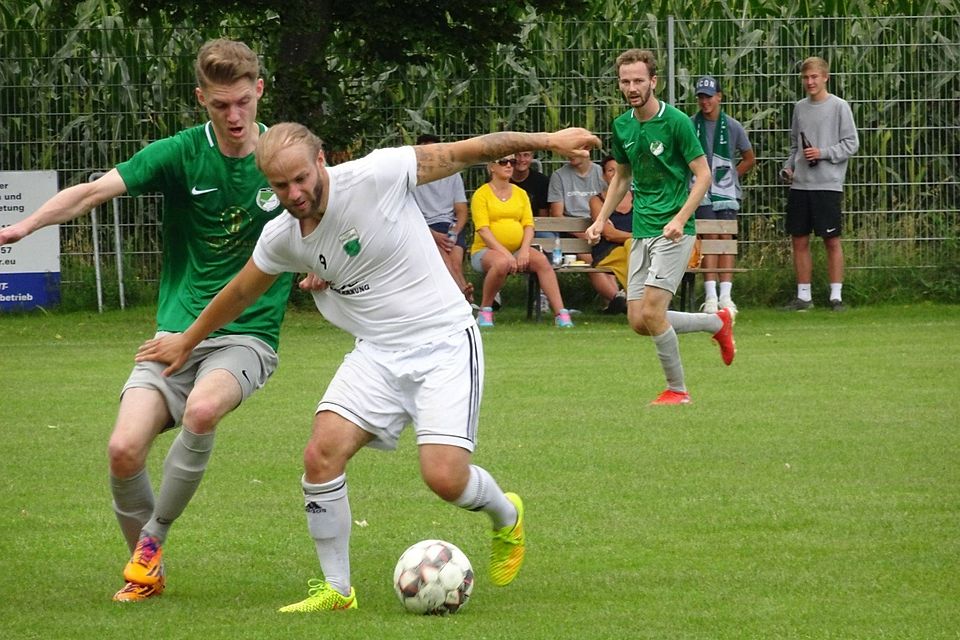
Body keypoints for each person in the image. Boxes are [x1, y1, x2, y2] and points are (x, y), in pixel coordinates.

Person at [135, 122, 602, 611]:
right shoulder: (283, 235)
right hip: (377, 353)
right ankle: (337, 591)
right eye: (279, 185)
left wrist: (549, 141)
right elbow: (241, 290)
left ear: (320, 162)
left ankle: (507, 516)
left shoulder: (377, 174)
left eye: (300, 179)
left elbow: (469, 150)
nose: (294, 193)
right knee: (320, 455)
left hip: (442, 341)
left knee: (444, 478)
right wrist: (187, 341)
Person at [0, 39, 294, 602]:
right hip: (172, 337)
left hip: (246, 335)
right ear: (201, 99)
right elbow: (93, 192)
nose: (234, 117)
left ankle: (152, 541)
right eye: (219, 106)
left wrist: (322, 269)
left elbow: (325, 212)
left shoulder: (281, 158)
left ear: (259, 89)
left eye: (242, 102)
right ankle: (148, 574)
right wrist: (25, 227)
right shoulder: (182, 153)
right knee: (123, 449)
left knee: (204, 410)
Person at [587, 48, 736, 406]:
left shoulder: (677, 123)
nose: (632, 87)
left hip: (674, 230)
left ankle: (678, 390)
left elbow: (702, 176)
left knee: (653, 313)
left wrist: (681, 218)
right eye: (626, 81)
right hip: (641, 231)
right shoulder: (623, 125)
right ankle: (716, 323)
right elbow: (622, 177)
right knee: (639, 320)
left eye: (639, 80)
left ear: (654, 81)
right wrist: (601, 219)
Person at [780, 56, 859, 312]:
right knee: (799, 239)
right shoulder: (799, 108)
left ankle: (836, 296)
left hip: (827, 185)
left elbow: (851, 144)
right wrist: (789, 166)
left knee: (831, 240)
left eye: (814, 77)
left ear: (825, 77)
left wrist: (823, 153)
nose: (810, 82)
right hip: (801, 185)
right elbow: (795, 146)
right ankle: (804, 297)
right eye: (805, 77)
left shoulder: (839, 107)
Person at [470, 154, 574, 328]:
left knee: (542, 261)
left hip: (518, 248)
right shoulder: (481, 194)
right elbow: (483, 230)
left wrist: (525, 250)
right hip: (486, 250)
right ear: (491, 167)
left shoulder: (520, 193)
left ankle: (561, 313)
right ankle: (485, 310)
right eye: (503, 162)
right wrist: (505, 253)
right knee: (502, 263)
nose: (509, 165)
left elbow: (528, 225)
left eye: (512, 162)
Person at [690, 75, 756, 313]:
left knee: (726, 240)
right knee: (709, 240)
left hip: (726, 192)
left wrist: (731, 176)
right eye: (701, 97)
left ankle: (726, 296)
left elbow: (749, 158)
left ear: (719, 97)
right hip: (700, 190)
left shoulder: (733, 126)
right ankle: (710, 296)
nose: (705, 101)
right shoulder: (690, 124)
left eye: (709, 96)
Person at [549, 151, 621, 308]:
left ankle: (614, 302)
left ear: (587, 149)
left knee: (609, 256)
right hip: (574, 233)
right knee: (593, 259)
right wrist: (584, 233)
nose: (570, 153)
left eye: (575, 149)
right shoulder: (559, 176)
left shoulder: (601, 172)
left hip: (601, 228)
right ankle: (619, 301)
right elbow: (557, 215)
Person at [412, 133, 473, 303]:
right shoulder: (413, 178)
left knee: (455, 262)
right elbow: (412, 216)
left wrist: (454, 231)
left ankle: (460, 297)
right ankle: (464, 294)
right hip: (424, 227)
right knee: (446, 261)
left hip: (449, 226)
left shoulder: (453, 174)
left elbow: (461, 211)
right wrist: (434, 235)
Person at [588, 155, 633, 314]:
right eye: (610, 170)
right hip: (607, 252)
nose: (615, 174)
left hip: (634, 250)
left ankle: (635, 300)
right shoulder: (597, 200)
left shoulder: (639, 198)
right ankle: (640, 300)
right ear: (603, 175)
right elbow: (608, 233)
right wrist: (635, 237)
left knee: (636, 253)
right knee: (633, 250)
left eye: (619, 170)